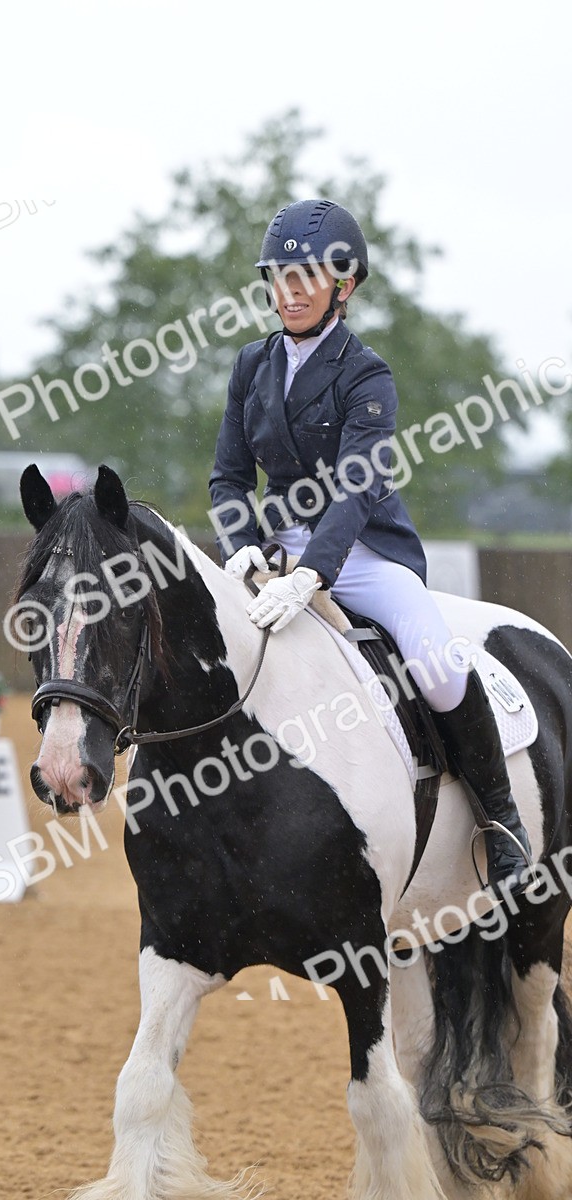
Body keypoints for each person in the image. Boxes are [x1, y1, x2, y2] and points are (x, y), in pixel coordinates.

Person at [208, 198, 533, 898]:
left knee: (439, 668)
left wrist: (313, 574)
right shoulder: (249, 365)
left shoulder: (367, 373)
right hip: (274, 552)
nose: (289, 291)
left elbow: (356, 486)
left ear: (342, 286)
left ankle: (502, 823)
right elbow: (229, 476)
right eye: (279, 276)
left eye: (306, 277)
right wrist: (241, 546)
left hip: (362, 554)